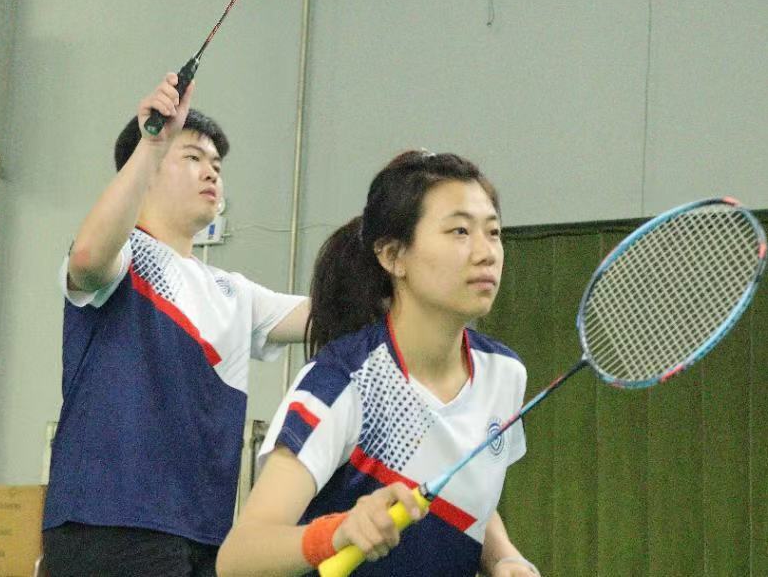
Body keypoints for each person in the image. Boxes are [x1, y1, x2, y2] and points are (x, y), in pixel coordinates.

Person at [216, 151, 539, 576]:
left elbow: (464, 491)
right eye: (460, 231)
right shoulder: (343, 383)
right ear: (393, 256)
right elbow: (239, 557)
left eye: (493, 232)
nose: (487, 253)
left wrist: (504, 557)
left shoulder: (504, 375)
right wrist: (338, 532)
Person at [42, 73, 309, 577]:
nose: (212, 173)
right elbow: (88, 258)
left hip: (205, 533)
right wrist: (152, 142)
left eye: (217, 165)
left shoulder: (233, 292)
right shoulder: (124, 257)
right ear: (145, 171)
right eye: (192, 157)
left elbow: (329, 315)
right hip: (108, 525)